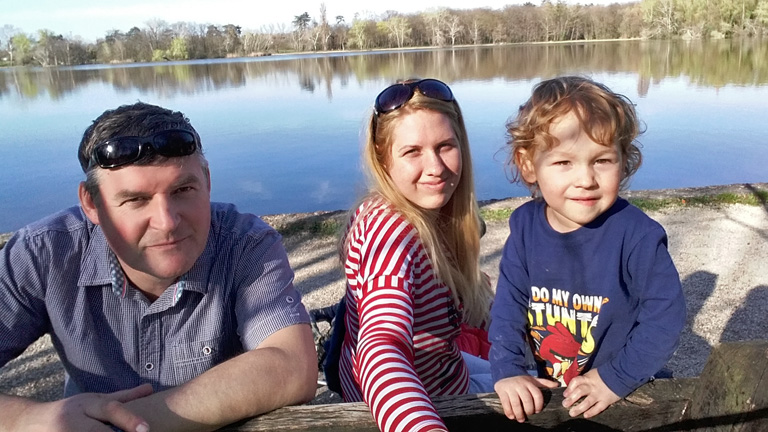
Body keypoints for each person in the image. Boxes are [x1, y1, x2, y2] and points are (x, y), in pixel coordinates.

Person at [0, 102, 317, 431]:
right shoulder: (41, 255)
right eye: (136, 200)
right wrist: (28, 418)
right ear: (92, 204)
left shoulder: (245, 245)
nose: (167, 222)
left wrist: (119, 423)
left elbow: (292, 365)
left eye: (183, 190)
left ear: (207, 182)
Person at [489, 76, 686, 422]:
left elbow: (665, 317)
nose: (586, 180)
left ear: (623, 159)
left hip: (623, 389)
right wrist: (508, 370)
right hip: (557, 392)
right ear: (528, 164)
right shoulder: (524, 228)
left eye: (602, 160)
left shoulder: (637, 235)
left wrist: (615, 378)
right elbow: (509, 306)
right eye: (564, 163)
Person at [337, 78, 494, 432]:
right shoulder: (390, 235)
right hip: (425, 403)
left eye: (445, 146)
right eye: (412, 152)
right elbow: (382, 346)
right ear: (383, 158)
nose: (435, 167)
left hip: (444, 368)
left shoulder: (430, 214)